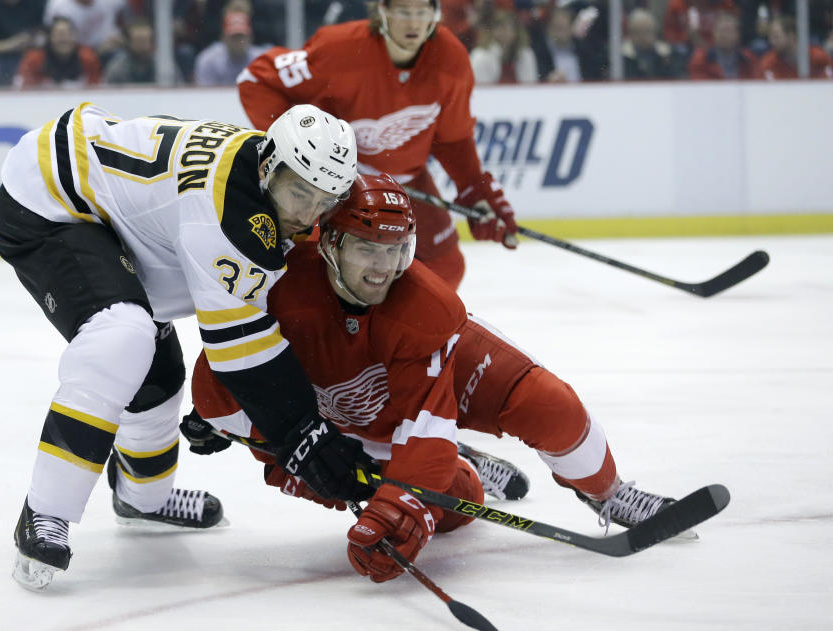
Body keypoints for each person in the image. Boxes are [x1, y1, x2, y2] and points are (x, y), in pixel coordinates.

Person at [183, 173, 683, 583]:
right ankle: (461, 465)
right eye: (367, 249)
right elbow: (224, 370)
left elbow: (428, 422)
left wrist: (397, 510)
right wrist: (241, 427)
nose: (384, 269)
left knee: (552, 407)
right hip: (355, 411)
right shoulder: (281, 287)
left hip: (443, 373)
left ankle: (610, 493)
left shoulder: (424, 305)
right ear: (331, 242)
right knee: (457, 506)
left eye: (396, 250)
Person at [0, 102, 373, 590]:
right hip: (50, 202)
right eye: (299, 193)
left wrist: (287, 422)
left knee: (156, 371)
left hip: (113, 207)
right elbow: (242, 352)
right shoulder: (227, 218)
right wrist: (303, 433)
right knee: (122, 336)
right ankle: (45, 513)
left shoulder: (258, 168)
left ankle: (142, 500)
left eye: (325, 200)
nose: (308, 214)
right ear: (269, 167)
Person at [237, 0, 519, 292]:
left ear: (434, 15)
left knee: (445, 269)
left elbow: (453, 138)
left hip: (408, 182)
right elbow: (255, 79)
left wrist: (475, 189)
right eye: (403, 12)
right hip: (335, 187)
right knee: (315, 271)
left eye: (421, 13)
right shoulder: (340, 48)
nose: (413, 23)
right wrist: (298, 148)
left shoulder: (451, 59)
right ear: (382, 11)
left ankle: (392, 330)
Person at [0, 0, 47, 86]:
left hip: (27, 54)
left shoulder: (35, 4)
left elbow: (43, 35)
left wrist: (31, 41)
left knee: (40, 59)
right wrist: (10, 45)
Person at [13, 16, 102, 88]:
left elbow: (96, 88)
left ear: (75, 37)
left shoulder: (88, 58)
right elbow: (23, 88)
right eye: (59, 34)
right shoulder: (34, 59)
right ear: (50, 37)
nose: (63, 39)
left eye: (68, 34)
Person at [193, 4, 268, 86]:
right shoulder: (208, 61)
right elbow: (204, 95)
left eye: (241, 36)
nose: (238, 41)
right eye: (233, 37)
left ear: (250, 37)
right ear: (223, 38)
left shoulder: (261, 60)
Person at [469, 8, 539, 84]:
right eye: (501, 27)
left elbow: (531, 86)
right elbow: (481, 89)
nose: (505, 32)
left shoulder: (526, 54)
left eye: (509, 28)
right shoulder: (480, 56)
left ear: (516, 31)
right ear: (491, 31)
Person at [687, 11, 759, 80]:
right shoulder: (701, 58)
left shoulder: (748, 58)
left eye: (728, 31)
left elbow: (757, 84)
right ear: (714, 34)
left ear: (738, 35)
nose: (724, 35)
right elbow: (698, 86)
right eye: (721, 31)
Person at [759, 15, 833, 80]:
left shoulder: (820, 58)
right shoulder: (768, 63)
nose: (771, 41)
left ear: (791, 36)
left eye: (776, 37)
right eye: (770, 37)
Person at [622, 8, 681, 80]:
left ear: (655, 32)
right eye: (637, 32)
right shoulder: (621, 57)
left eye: (647, 31)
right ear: (630, 33)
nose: (642, 36)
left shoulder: (668, 55)